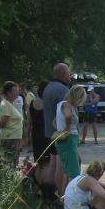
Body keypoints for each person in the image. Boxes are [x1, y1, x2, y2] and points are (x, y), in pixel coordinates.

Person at [42, 63, 71, 197]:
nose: (69, 76)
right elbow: (65, 113)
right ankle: (61, 194)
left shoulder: (48, 87)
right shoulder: (63, 90)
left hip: (49, 132)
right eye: (68, 73)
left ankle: (48, 193)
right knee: (61, 166)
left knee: (52, 164)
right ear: (63, 74)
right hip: (60, 134)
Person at [53, 85, 87, 190]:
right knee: (74, 171)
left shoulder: (61, 104)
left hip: (70, 139)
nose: (81, 101)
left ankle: (66, 191)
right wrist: (66, 129)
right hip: (68, 139)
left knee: (77, 161)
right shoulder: (67, 105)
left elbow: (54, 121)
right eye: (81, 98)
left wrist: (60, 129)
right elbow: (68, 116)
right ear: (77, 96)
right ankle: (73, 193)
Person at [0, 81, 23, 166]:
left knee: (13, 162)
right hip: (10, 138)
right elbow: (2, 123)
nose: (17, 92)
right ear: (8, 93)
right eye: (15, 91)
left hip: (14, 137)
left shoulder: (10, 104)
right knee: (9, 162)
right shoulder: (6, 104)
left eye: (17, 90)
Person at [29, 81, 49, 162]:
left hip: (35, 132)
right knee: (47, 160)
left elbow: (29, 121)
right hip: (46, 133)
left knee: (38, 159)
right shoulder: (48, 103)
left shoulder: (32, 103)